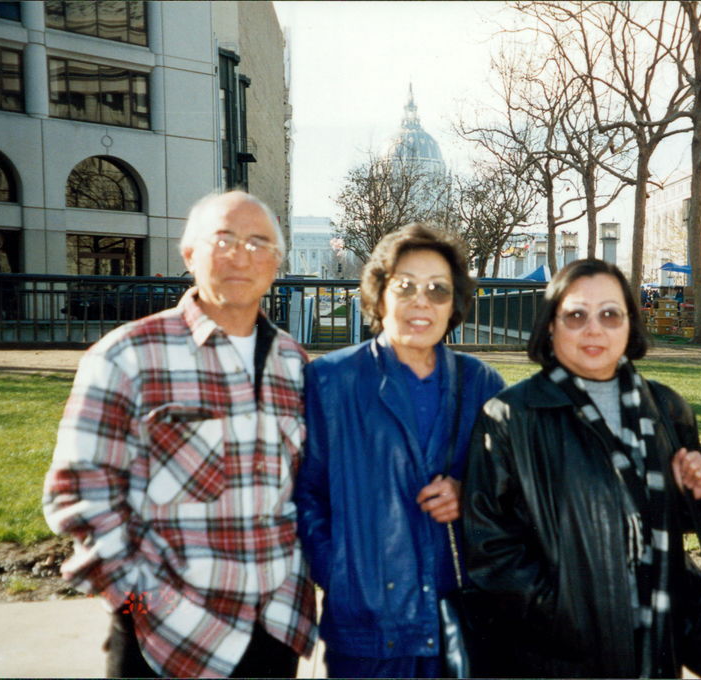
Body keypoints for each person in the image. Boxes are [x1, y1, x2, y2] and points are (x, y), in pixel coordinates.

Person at [43, 191, 317, 678]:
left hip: (272, 630)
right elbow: (78, 495)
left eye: (259, 243)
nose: (241, 255)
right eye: (224, 239)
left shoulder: (294, 364)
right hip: (166, 637)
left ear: (276, 262)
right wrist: (137, 602)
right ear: (189, 254)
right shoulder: (128, 354)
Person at [463, 258, 701, 678]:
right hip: (553, 656)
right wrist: (561, 612)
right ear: (550, 325)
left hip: (654, 648)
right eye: (576, 315)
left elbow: (695, 520)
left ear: (630, 324)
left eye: (610, 314)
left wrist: (699, 488)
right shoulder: (511, 416)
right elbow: (488, 545)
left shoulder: (666, 407)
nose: (594, 329)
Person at [296, 224, 505, 679]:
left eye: (438, 290)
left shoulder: (483, 384)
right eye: (405, 286)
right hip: (367, 628)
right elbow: (306, 493)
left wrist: (468, 495)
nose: (421, 302)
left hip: (461, 621)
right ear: (379, 293)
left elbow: (514, 496)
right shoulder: (331, 381)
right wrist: (342, 574)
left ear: (454, 304)